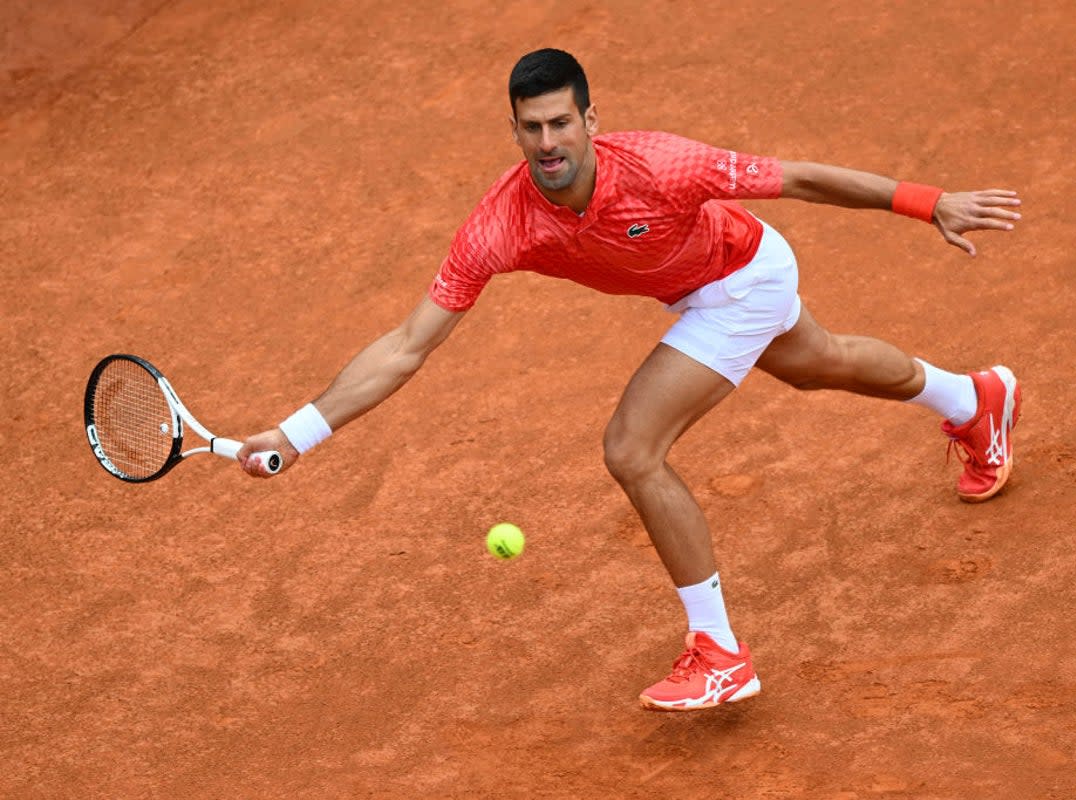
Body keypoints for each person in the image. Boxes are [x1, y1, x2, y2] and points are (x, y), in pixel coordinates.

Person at [237, 48, 1023, 712]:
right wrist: (300, 433)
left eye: (560, 123)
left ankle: (718, 650)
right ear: (513, 129)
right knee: (824, 367)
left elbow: (801, 179)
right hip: (702, 289)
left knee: (632, 447)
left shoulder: (661, 164)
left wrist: (929, 204)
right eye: (531, 127)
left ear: (590, 121)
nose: (548, 142)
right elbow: (408, 344)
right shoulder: (502, 223)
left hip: (744, 276)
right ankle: (975, 399)